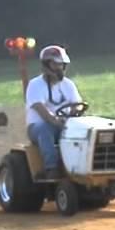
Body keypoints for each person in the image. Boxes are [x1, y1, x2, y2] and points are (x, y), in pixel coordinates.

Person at [26, 45, 82, 179]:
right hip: (38, 127)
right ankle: (51, 168)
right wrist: (57, 121)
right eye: (55, 64)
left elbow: (77, 104)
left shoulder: (68, 85)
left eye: (61, 65)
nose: (59, 68)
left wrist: (75, 113)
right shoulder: (35, 85)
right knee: (46, 128)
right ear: (46, 65)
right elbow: (42, 111)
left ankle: (80, 167)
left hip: (65, 124)